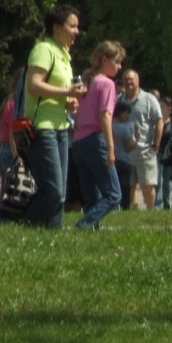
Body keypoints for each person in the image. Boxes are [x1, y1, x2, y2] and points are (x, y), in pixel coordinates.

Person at [17, 4, 85, 229]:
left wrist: (69, 101)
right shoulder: (44, 50)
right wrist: (67, 92)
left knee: (60, 193)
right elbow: (33, 85)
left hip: (61, 126)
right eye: (72, 26)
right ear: (56, 27)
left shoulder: (63, 55)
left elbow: (54, 92)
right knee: (53, 190)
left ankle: (53, 232)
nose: (77, 31)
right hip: (42, 126)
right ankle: (23, 225)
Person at [68, 41, 124, 229]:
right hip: (94, 140)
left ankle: (91, 231)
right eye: (117, 62)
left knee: (91, 196)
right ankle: (83, 226)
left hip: (78, 142)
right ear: (104, 60)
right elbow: (104, 115)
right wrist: (111, 147)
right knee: (114, 194)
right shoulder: (106, 84)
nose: (119, 67)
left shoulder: (87, 82)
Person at [119, 69, 164, 211]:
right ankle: (132, 212)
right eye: (125, 79)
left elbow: (159, 121)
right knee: (128, 186)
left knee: (147, 185)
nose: (128, 82)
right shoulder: (118, 100)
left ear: (138, 81)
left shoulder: (149, 99)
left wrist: (156, 145)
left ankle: (150, 211)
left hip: (144, 150)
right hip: (124, 152)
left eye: (131, 79)